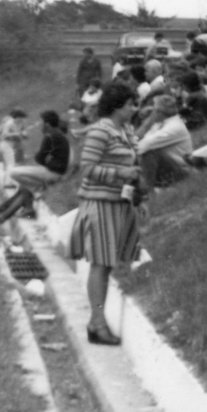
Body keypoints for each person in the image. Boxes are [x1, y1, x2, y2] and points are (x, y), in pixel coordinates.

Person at [68, 82, 145, 345]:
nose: (133, 109)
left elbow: (134, 160)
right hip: (100, 203)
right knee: (100, 264)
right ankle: (97, 323)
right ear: (115, 107)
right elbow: (87, 168)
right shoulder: (101, 132)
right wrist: (119, 174)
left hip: (119, 203)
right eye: (129, 105)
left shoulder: (125, 130)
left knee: (107, 263)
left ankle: (96, 322)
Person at [0, 110, 70, 221]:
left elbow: (39, 158)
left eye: (42, 122)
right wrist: (48, 160)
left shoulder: (50, 136)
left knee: (14, 173)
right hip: (54, 172)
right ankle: (4, 213)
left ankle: (32, 194)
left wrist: (47, 160)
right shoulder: (57, 135)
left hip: (52, 173)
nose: (40, 125)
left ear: (47, 124)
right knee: (23, 186)